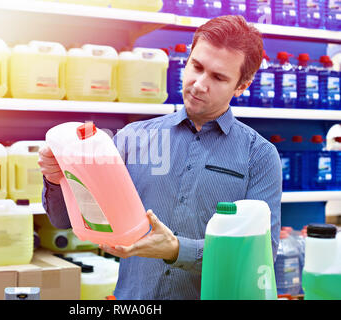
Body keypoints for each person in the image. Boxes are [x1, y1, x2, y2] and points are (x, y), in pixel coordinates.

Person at [38, 15, 282, 300]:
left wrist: (177, 250)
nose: (199, 84)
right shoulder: (132, 138)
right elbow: (64, 219)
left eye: (218, 77)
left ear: (242, 85)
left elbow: (261, 261)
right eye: (197, 66)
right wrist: (56, 179)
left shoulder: (260, 157)